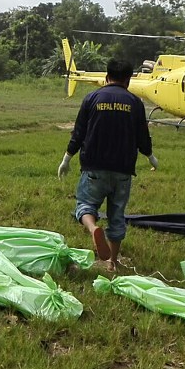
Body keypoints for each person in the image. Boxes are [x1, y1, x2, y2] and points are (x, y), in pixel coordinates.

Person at [57, 58, 158, 271]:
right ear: (128, 80)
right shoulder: (135, 103)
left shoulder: (92, 98)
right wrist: (150, 156)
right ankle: (112, 262)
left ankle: (93, 227)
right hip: (123, 169)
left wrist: (67, 158)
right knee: (117, 215)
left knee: (85, 205)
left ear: (106, 77)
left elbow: (79, 133)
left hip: (94, 166)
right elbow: (142, 136)